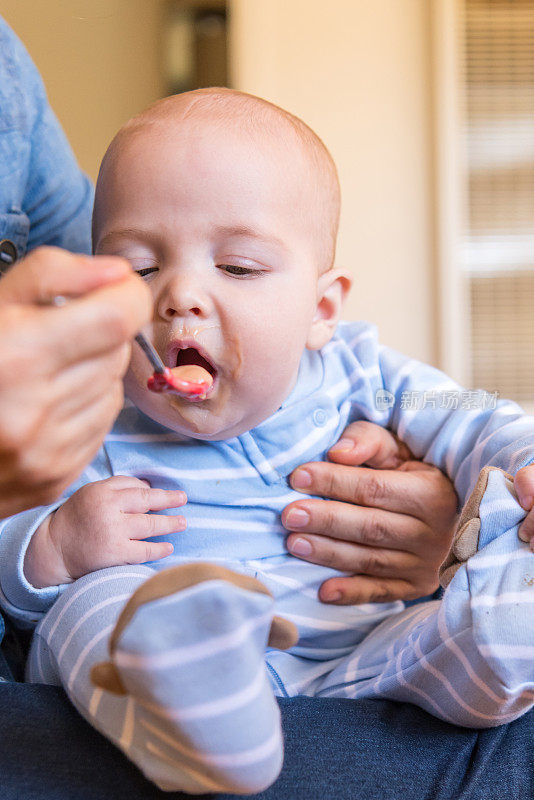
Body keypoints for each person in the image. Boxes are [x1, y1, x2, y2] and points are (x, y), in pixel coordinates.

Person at [0, 17, 533, 800]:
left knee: (473, 603)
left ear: (322, 307)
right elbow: (11, 548)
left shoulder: (361, 370)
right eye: (140, 266)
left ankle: (504, 635)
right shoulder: (90, 400)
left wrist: (521, 461)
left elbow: (465, 413)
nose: (180, 296)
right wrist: (52, 548)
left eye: (238, 267)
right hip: (157, 670)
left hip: (361, 660)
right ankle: (184, 712)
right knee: (93, 609)